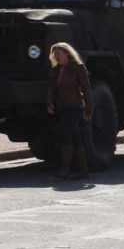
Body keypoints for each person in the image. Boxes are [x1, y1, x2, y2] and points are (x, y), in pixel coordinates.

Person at [46, 42, 92, 181]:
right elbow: (51, 89)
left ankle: (64, 169)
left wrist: (88, 109)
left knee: (64, 133)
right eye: (54, 54)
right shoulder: (56, 70)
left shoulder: (78, 68)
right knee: (75, 138)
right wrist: (49, 102)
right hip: (63, 108)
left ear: (67, 53)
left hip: (75, 107)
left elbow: (86, 89)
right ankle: (83, 171)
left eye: (59, 53)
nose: (56, 56)